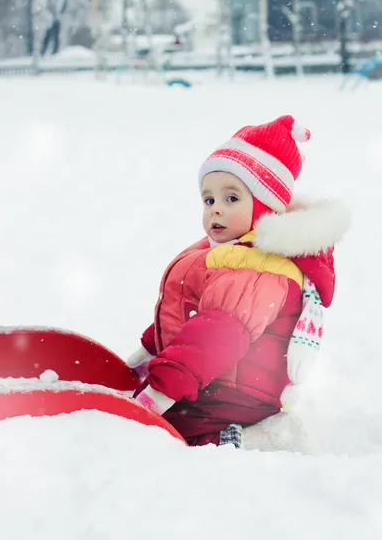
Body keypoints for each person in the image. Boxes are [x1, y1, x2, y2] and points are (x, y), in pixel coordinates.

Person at [126, 114, 350, 449]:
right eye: (209, 199)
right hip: (213, 376)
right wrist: (143, 356)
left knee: (172, 431)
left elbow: (217, 334)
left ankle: (254, 438)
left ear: (264, 208)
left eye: (231, 198)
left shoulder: (261, 267)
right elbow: (186, 312)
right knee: (166, 408)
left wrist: (156, 396)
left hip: (237, 393)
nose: (215, 209)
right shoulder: (223, 249)